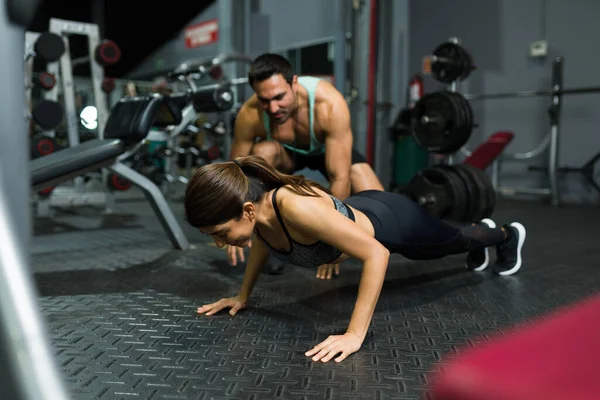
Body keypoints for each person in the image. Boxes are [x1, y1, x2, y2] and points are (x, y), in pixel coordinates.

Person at [184, 156, 527, 364]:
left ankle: (506, 234)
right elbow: (262, 243)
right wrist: (243, 296)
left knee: (451, 243)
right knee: (454, 240)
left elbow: (377, 253)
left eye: (221, 232)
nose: (218, 243)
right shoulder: (258, 214)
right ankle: (478, 233)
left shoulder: (294, 208)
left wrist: (354, 334)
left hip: (393, 222)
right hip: (366, 206)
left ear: (246, 210)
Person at [226, 53, 384, 273]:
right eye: (264, 100)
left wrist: (333, 246)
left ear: (294, 83)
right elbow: (235, 173)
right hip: (286, 153)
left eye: (280, 97)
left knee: (379, 200)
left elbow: (339, 176)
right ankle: (273, 237)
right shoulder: (250, 114)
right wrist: (233, 220)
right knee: (261, 153)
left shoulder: (329, 104)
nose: (273, 108)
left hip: (326, 150)